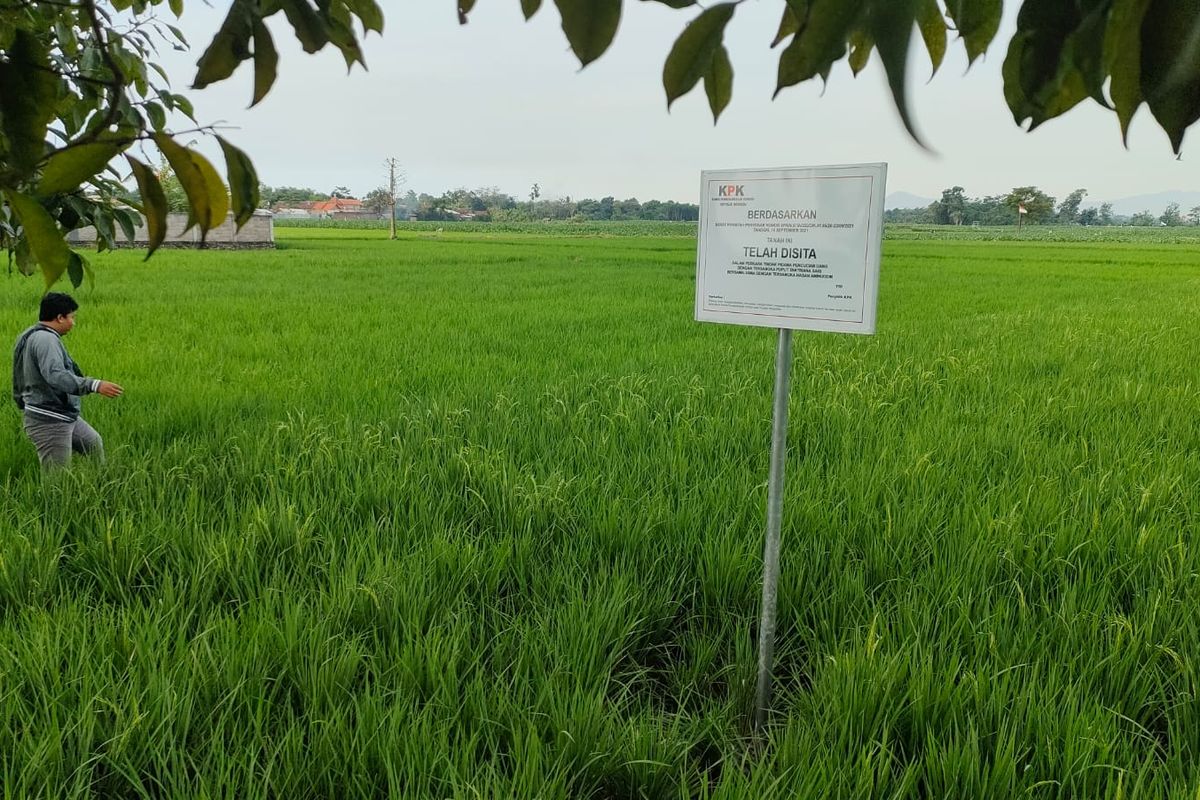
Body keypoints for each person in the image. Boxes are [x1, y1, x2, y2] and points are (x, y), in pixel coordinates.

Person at [12, 292, 123, 467]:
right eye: (72, 317)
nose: (74, 323)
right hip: (49, 419)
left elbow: (18, 375)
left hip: (62, 413)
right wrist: (94, 384)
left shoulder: (29, 334)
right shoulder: (46, 339)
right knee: (57, 480)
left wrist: (22, 401)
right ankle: (58, 495)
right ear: (59, 318)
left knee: (93, 444)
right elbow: (55, 375)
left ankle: (100, 483)